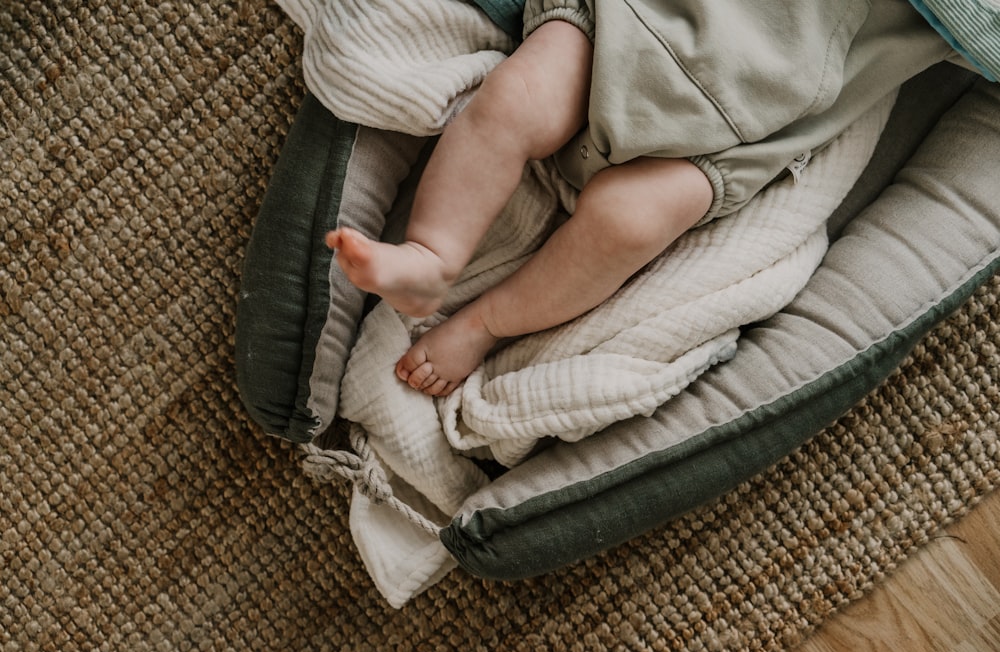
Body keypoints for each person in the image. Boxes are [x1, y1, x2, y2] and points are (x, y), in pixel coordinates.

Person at [326, 0, 975, 397]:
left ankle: (484, 324)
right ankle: (432, 255)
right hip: (629, 21)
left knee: (628, 224)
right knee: (513, 103)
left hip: (737, 130)